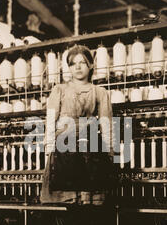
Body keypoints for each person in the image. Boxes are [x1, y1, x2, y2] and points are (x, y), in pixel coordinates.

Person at [40, 44, 114, 206]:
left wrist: (109, 151)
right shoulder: (59, 90)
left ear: (91, 65)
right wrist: (49, 147)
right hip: (64, 148)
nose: (78, 67)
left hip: (91, 148)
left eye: (82, 62)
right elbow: (51, 120)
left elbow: (106, 124)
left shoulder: (100, 92)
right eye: (73, 63)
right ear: (69, 67)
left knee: (90, 199)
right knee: (69, 198)